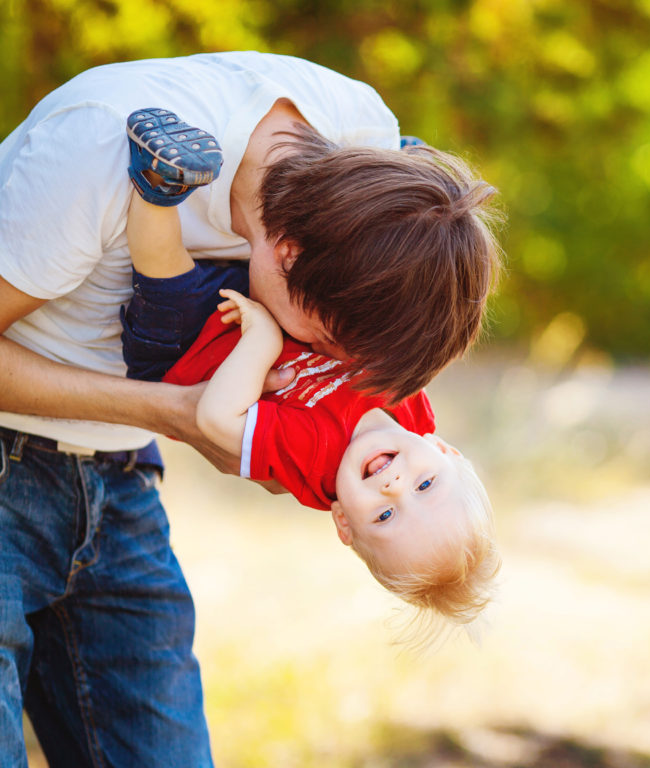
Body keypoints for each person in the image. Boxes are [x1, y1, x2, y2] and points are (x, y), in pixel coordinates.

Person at [0, 52, 500, 767]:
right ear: (290, 256)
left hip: (120, 466)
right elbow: (210, 415)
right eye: (331, 342)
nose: (395, 484)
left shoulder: (368, 144)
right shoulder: (95, 142)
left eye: (388, 510)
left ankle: (158, 201)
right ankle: (158, 192)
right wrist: (172, 408)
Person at [121, 108, 500, 637]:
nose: (393, 486)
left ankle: (159, 183)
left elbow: (215, 416)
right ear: (446, 452)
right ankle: (403, 191)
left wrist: (261, 340)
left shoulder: (315, 459)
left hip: (194, 344)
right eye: (426, 485)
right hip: (275, 306)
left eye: (384, 517)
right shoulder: (412, 408)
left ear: (343, 522)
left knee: (169, 280)